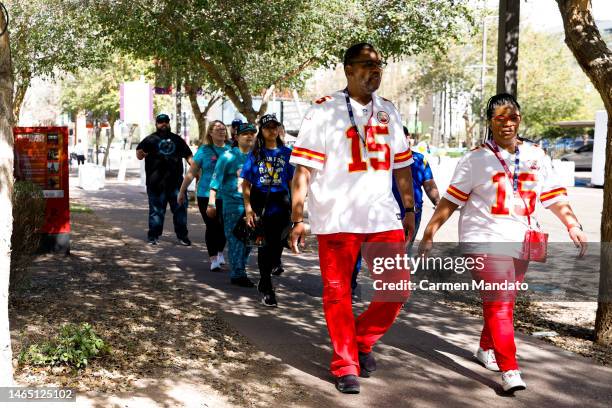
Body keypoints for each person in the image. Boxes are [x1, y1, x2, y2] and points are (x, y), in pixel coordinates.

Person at [418, 93, 588, 393]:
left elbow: (554, 197)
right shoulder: (476, 159)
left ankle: (485, 349)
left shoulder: (537, 155)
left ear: (519, 119)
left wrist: (572, 224)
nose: (508, 124)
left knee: (504, 303)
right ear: (490, 122)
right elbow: (451, 201)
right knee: (500, 304)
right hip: (482, 239)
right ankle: (509, 369)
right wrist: (431, 231)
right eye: (500, 118)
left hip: (521, 240)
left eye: (513, 117)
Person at [289, 43, 416, 394]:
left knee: (397, 289)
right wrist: (297, 217)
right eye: (367, 65)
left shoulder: (389, 111)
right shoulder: (324, 111)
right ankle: (345, 362)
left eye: (380, 66)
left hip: (381, 216)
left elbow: (402, 165)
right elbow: (303, 170)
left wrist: (409, 208)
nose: (375, 71)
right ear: (348, 69)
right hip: (337, 218)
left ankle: (360, 340)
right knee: (338, 293)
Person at [242, 114, 294, 307]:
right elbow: (246, 183)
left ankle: (266, 277)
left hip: (281, 203)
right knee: (265, 245)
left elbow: (291, 181)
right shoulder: (256, 153)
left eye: (275, 127)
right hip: (261, 203)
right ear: (262, 131)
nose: (272, 130)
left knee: (277, 246)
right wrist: (248, 208)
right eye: (267, 127)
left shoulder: (287, 153)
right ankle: (266, 285)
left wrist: (296, 208)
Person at [207, 123, 257, 287]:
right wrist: (211, 203)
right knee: (236, 240)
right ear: (236, 137)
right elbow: (215, 181)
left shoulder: (256, 156)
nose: (249, 136)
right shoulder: (227, 156)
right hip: (232, 205)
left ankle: (240, 269)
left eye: (252, 133)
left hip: (252, 206)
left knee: (249, 241)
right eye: (245, 134)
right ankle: (238, 274)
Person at [178, 120, 231, 270]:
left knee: (224, 226)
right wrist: (182, 191)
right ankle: (213, 259)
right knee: (212, 225)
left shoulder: (231, 150)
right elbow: (191, 173)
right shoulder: (204, 150)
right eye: (217, 129)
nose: (221, 131)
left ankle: (220, 252)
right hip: (205, 194)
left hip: (227, 195)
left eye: (223, 128)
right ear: (210, 132)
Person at [136, 113, 194, 246]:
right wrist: (141, 154)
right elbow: (139, 153)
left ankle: (182, 236)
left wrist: (197, 172)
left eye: (166, 122)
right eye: (160, 122)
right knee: (156, 211)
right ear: (156, 124)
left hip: (177, 185)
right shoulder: (150, 139)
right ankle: (153, 236)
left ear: (169, 123)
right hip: (156, 184)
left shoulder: (177, 139)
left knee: (180, 210)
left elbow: (189, 157)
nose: (163, 124)